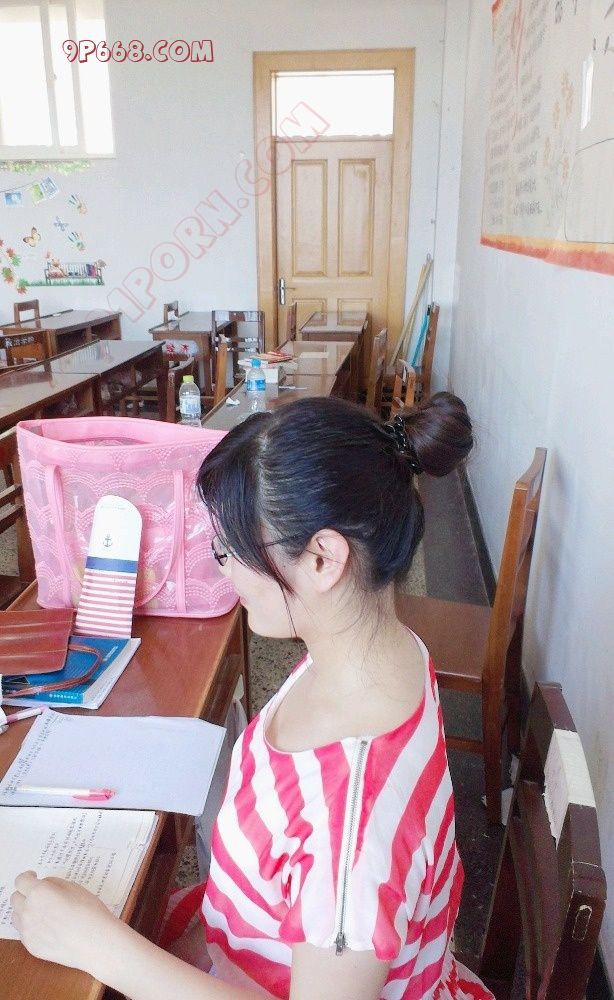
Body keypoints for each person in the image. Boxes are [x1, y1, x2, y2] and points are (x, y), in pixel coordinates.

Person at [11, 394, 494, 1000]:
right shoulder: (378, 652)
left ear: (323, 558)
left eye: (232, 551)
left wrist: (100, 947)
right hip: (247, 942)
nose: (225, 572)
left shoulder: (351, 836)